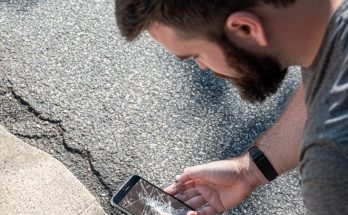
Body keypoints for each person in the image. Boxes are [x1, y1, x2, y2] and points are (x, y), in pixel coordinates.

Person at [115, 0, 348, 214]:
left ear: (245, 28)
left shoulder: (332, 162)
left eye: (196, 55)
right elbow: (319, 86)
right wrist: (250, 171)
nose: (202, 67)